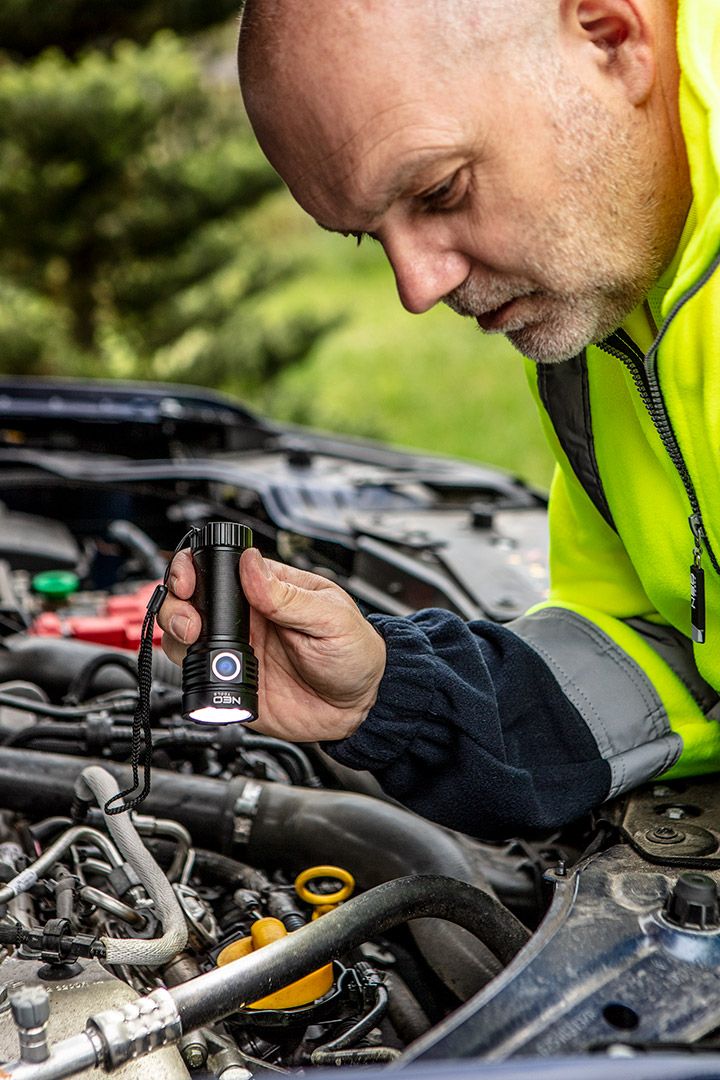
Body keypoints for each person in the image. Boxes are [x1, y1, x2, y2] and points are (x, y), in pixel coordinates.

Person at [158, 0, 720, 839]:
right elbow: (664, 647)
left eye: (439, 190)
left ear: (612, 37)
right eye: (367, 237)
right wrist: (389, 691)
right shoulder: (609, 308)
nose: (419, 287)